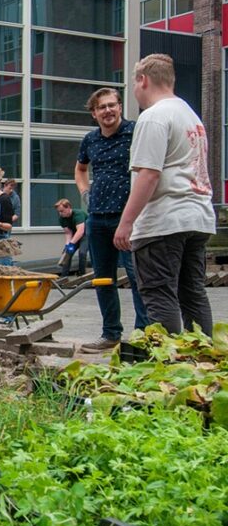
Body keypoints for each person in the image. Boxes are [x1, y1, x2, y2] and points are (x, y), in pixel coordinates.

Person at [115, 53, 216, 336]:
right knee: (192, 293)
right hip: (197, 218)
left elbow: (149, 174)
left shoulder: (154, 117)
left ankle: (170, 368)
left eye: (134, 85)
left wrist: (127, 223)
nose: (134, 92)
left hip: (164, 220)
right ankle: (204, 361)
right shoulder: (190, 115)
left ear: (143, 80)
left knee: (159, 294)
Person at [76, 87, 150, 353]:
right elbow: (81, 167)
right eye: (101, 107)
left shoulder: (135, 132)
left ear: (120, 107)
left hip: (128, 216)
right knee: (103, 279)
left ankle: (143, 337)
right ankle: (110, 334)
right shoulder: (90, 140)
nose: (108, 111)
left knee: (136, 276)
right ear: (94, 113)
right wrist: (85, 192)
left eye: (112, 105)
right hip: (97, 218)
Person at [53, 199, 88, 277]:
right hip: (75, 236)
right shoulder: (62, 219)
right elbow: (68, 233)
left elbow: (80, 231)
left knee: (82, 253)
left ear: (68, 207)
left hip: (86, 235)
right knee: (67, 253)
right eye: (59, 211)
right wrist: (67, 245)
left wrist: (71, 243)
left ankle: (82, 275)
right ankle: (64, 276)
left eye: (62, 211)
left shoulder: (78, 214)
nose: (60, 213)